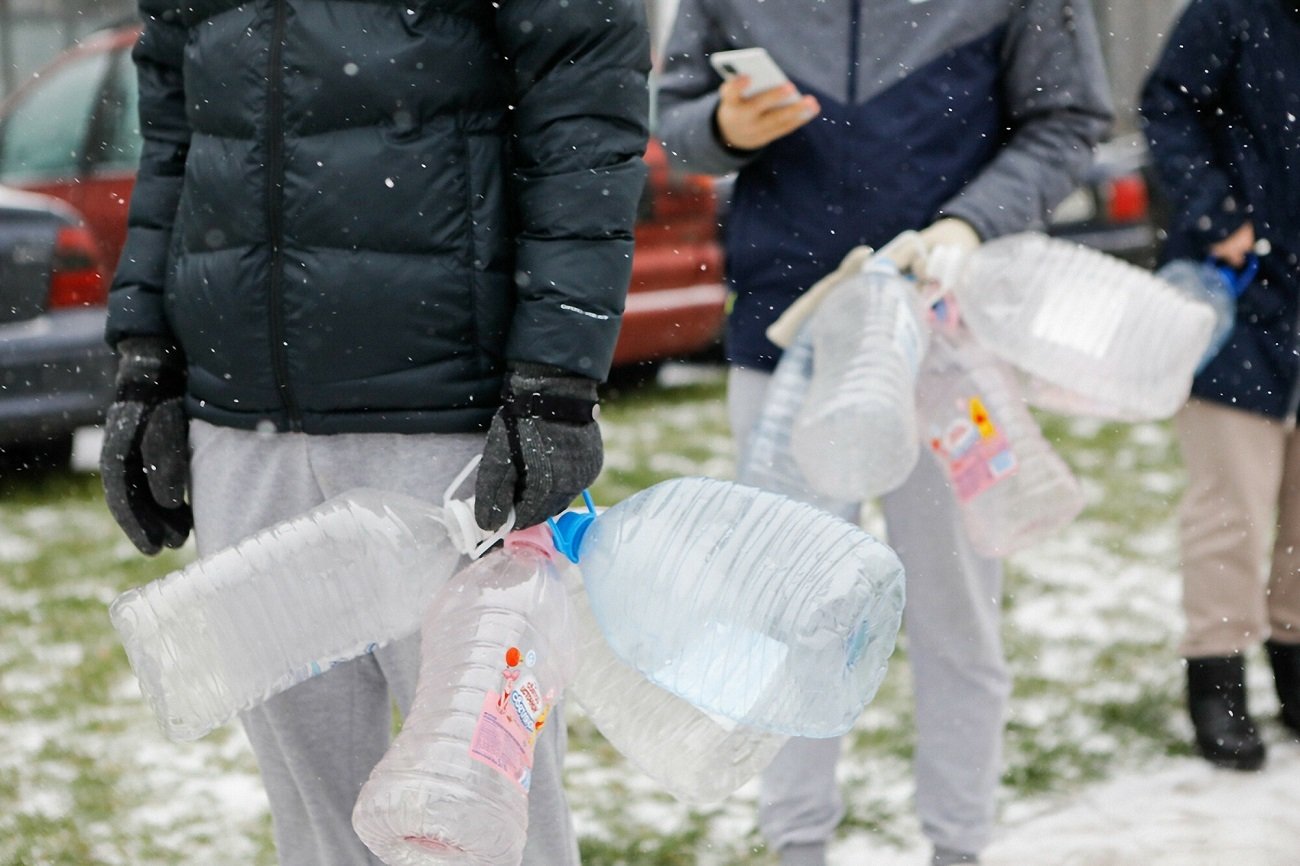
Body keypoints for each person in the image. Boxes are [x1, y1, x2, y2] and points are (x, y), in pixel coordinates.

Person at [97, 1, 650, 864]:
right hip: (241, 425)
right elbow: (175, 133)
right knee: (316, 819)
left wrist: (555, 380)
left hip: (447, 426)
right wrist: (146, 358)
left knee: (483, 821)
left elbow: (582, 112)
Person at [656, 3, 1112, 864]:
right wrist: (720, 127)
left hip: (947, 343)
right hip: (790, 337)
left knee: (955, 616)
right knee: (792, 619)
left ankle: (958, 846)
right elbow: (673, 121)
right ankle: (797, 846)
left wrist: (970, 224)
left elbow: (1068, 118)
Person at [1139, 0, 1300, 772]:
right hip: (1236, 292)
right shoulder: (1233, 9)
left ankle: (1294, 661)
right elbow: (1167, 102)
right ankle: (1218, 676)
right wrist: (1216, 214)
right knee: (1229, 504)